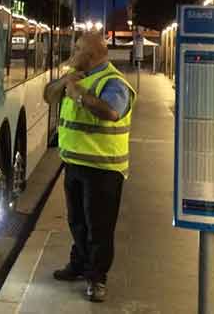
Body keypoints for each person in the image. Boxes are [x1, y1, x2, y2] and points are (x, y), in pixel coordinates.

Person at [43, 31, 136, 303]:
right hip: (74, 164)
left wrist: (79, 95)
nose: (73, 51)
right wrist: (65, 82)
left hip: (103, 169)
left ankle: (97, 279)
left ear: (92, 54)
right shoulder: (76, 76)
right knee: (77, 221)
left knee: (99, 227)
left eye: (78, 48)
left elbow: (111, 112)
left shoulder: (114, 82)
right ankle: (79, 264)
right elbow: (49, 96)